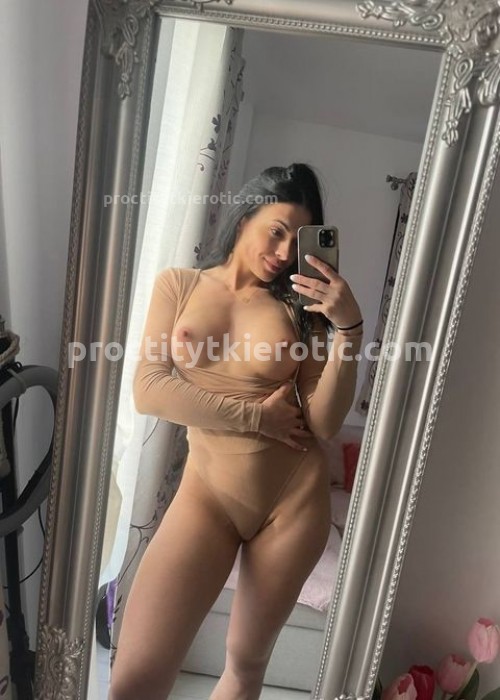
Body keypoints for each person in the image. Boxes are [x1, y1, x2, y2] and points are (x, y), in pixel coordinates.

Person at [109, 163, 364, 700]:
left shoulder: (303, 314)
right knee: (134, 679)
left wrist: (348, 331)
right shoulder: (179, 285)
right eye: (277, 230)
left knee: (245, 668)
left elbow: (323, 421)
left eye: (297, 241)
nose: (283, 251)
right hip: (207, 494)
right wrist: (256, 417)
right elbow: (149, 390)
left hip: (292, 504)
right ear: (246, 214)